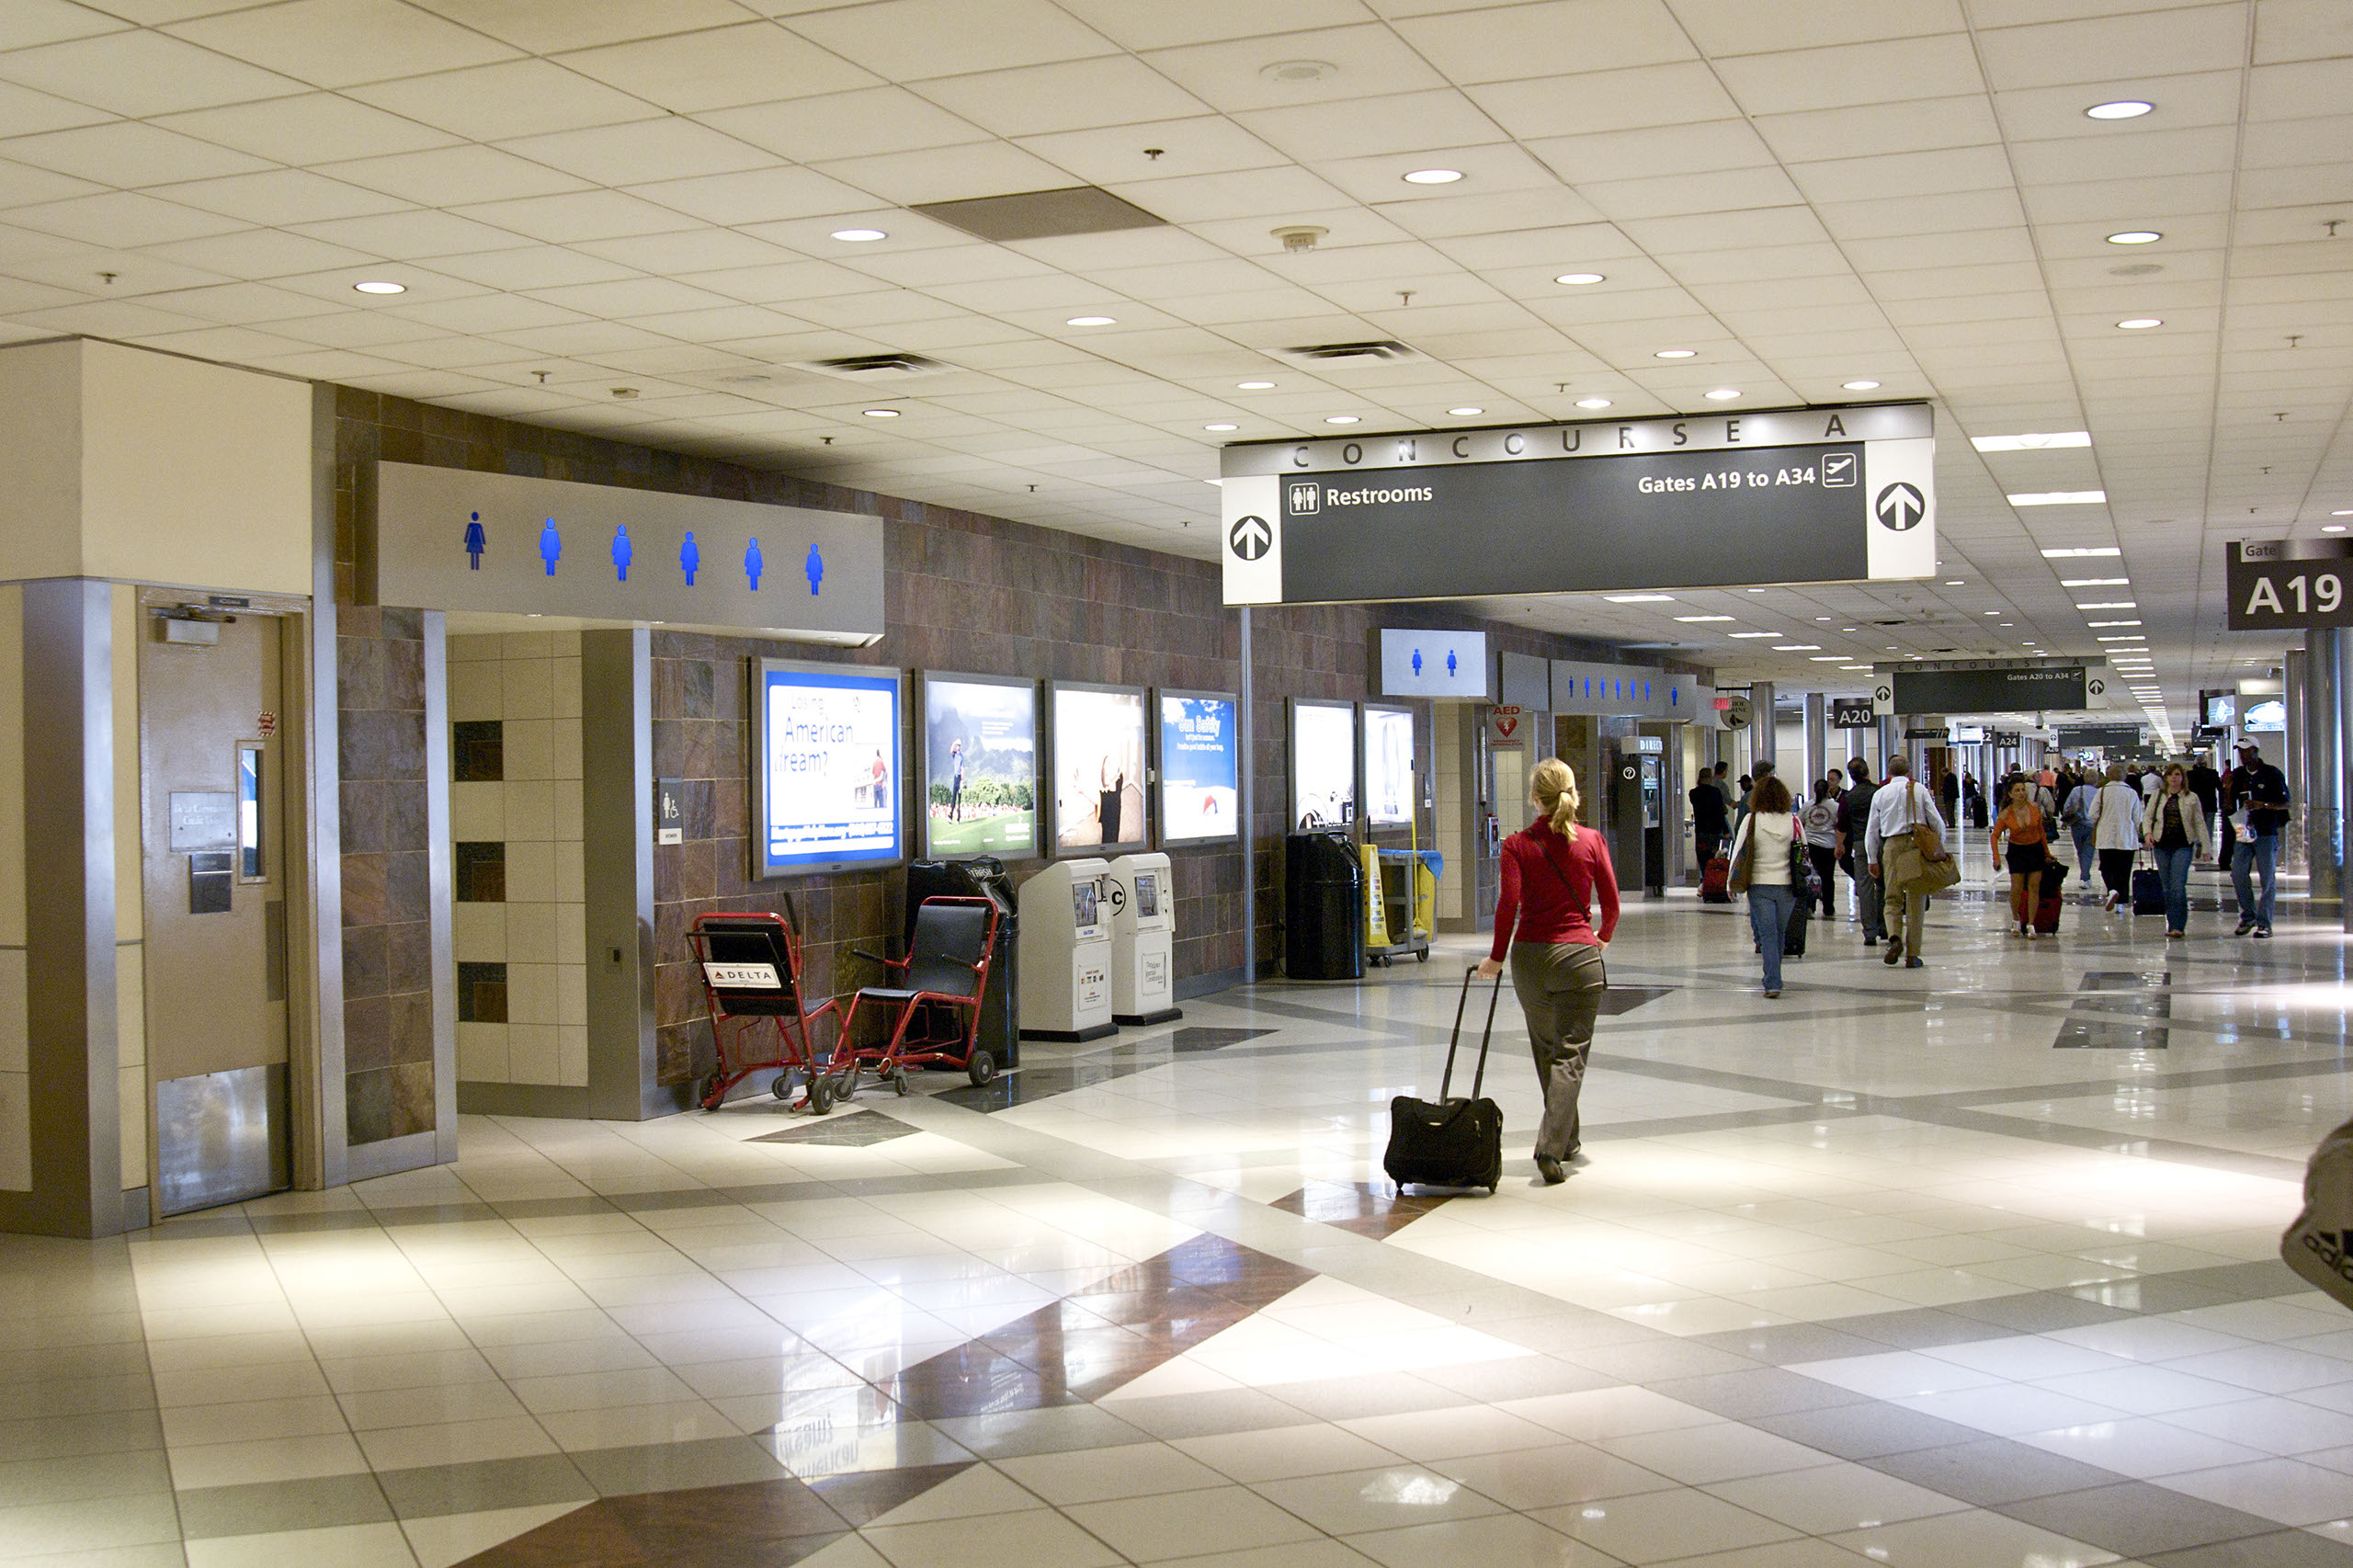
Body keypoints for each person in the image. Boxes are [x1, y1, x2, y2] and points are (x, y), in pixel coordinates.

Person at [1476, 759, 1618, 1185]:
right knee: (1570, 1054)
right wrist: (1601, 937)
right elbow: (1611, 904)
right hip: (1579, 958)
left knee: (1546, 1050)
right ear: (1572, 794)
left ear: (1534, 798)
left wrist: (1496, 957)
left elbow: (1508, 905)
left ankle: (1564, 1139)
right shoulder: (1591, 841)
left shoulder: (1517, 845)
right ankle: (1553, 1147)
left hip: (1531, 961)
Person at [1863, 755, 1945, 970]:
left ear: (1889, 773)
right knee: (1916, 899)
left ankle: (1894, 937)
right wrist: (1938, 848)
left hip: (1891, 845)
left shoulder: (1880, 793)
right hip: (1915, 846)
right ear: (1909, 772)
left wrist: (1872, 859)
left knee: (1892, 897)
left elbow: (1872, 829)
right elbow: (1937, 822)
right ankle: (1913, 955)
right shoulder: (1919, 790)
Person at [1727, 766, 1802, 997]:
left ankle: (1773, 981)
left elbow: (1737, 852)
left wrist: (1730, 883)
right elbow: (1803, 852)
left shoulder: (1751, 820)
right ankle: (1774, 976)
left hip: (1759, 885)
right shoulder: (1793, 821)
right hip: (1787, 886)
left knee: (1768, 934)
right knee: (1779, 933)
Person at [2142, 763, 2211, 939]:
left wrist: (2205, 846)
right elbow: (2148, 816)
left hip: (2183, 845)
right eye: (2170, 774)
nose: (2174, 778)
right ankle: (2172, 923)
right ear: (2166, 778)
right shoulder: (2158, 795)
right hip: (2162, 845)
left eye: (2177, 774)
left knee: (2177, 885)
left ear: (2182, 778)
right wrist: (2147, 833)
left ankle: (2179, 925)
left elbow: (2199, 822)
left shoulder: (2191, 798)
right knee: (2167, 887)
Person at [2234, 743, 2290, 937]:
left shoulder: (2272, 774)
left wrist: (2263, 805)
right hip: (2243, 829)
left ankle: (2265, 923)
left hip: (2266, 831)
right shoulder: (2238, 775)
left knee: (2267, 878)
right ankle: (2248, 916)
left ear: (2255, 751)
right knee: (2238, 874)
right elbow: (2229, 803)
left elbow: (2286, 803)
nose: (2243, 755)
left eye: (2246, 751)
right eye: (2240, 752)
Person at [1991, 778, 2052, 939]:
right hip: (2017, 851)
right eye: (2017, 790)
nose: (2021, 793)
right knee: (2016, 888)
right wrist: (1996, 857)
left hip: (2035, 849)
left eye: (2023, 789)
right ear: (2010, 794)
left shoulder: (2034, 808)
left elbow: (2041, 832)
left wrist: (2047, 853)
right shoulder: (2006, 814)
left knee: (2034, 887)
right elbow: (1994, 836)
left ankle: (2031, 923)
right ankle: (2015, 919)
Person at [1836, 759, 1883, 946]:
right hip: (1880, 842)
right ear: (1867, 772)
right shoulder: (1879, 792)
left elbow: (1841, 825)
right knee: (1883, 884)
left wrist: (1839, 845)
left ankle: (1869, 932)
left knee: (1864, 887)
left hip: (1860, 844)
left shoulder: (1848, 798)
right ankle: (1885, 925)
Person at [2090, 762, 2141, 911]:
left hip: (2105, 836)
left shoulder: (2102, 792)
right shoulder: (2131, 793)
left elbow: (2092, 814)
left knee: (2106, 867)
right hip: (2126, 837)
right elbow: (2137, 817)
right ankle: (2120, 903)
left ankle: (2112, 889)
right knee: (2124, 870)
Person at [1801, 777, 1841, 910]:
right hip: (1829, 846)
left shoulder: (1808, 806)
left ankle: (1810, 906)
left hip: (1811, 845)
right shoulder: (1835, 806)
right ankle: (1828, 907)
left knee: (1811, 876)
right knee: (1828, 877)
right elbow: (1839, 826)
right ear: (1828, 790)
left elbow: (1799, 821)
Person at [2061, 768, 2098, 892]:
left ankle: (2085, 876)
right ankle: (2085, 877)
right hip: (2092, 826)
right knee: (2088, 852)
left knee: (2080, 851)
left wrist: (2065, 821)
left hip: (2077, 824)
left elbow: (2067, 807)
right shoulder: (2099, 793)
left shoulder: (2077, 790)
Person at [1689, 768, 1730, 866]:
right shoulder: (1715, 792)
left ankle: (1704, 874)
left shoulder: (1693, 793)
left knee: (1703, 859)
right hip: (1715, 831)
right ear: (1709, 778)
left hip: (1701, 831)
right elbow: (1720, 812)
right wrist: (1726, 830)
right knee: (1715, 859)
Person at [2188, 755, 2222, 856]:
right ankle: (2207, 850)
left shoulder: (2190, 774)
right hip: (2210, 804)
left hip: (2195, 804)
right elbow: (2220, 788)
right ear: (2206, 763)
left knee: (2196, 826)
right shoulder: (2213, 773)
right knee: (2209, 827)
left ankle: (2198, 844)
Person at [947, 737, 966, 822]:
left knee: (958, 797)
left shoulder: (961, 756)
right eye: (957, 745)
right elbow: (951, 751)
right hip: (955, 777)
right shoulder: (955, 754)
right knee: (954, 797)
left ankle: (957, 818)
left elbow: (962, 768)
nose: (957, 747)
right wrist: (954, 743)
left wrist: (962, 780)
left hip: (959, 777)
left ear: (960, 747)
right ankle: (951, 816)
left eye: (959, 745)